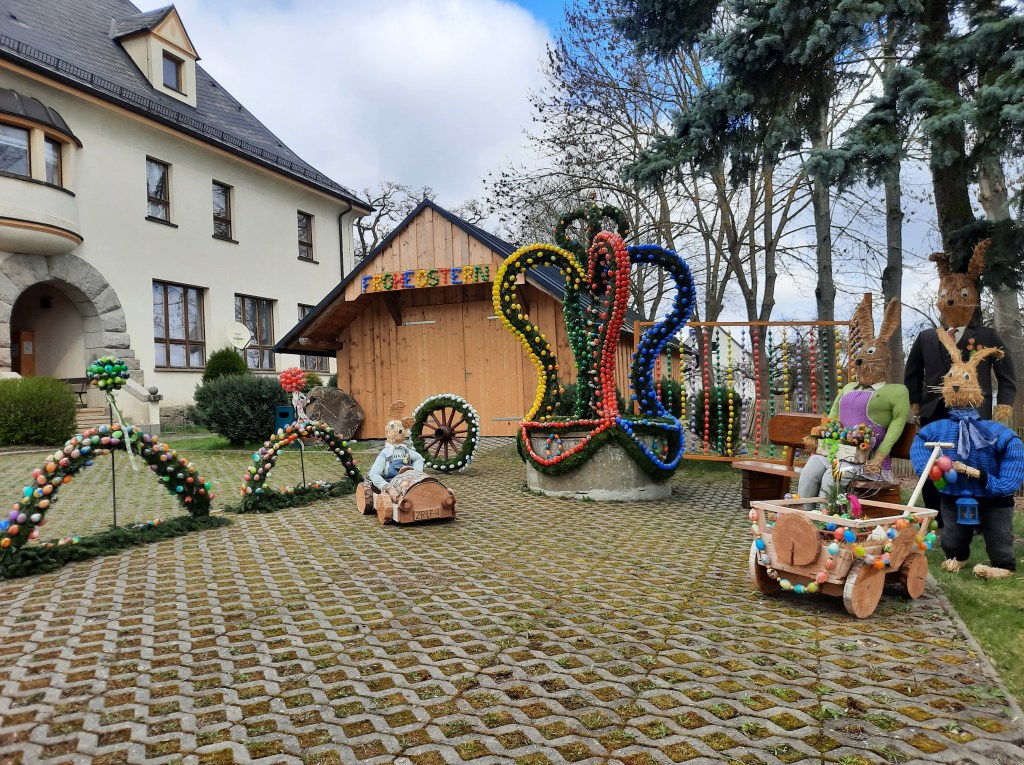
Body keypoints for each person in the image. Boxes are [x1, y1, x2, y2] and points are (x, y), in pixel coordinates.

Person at [904, 241, 1016, 516]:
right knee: (933, 464)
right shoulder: (926, 337)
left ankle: (975, 517)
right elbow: (912, 373)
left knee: (972, 462)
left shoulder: (987, 337)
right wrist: (916, 404)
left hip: (974, 414)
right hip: (933, 411)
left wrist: (1005, 402)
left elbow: (1006, 372)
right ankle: (936, 515)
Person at [910, 331, 1024, 578]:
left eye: (963, 378)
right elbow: (921, 443)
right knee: (952, 533)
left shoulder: (994, 431)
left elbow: (1013, 449)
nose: (957, 384)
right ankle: (957, 556)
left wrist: (991, 480)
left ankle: (1003, 565)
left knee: (998, 533)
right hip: (954, 493)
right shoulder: (936, 430)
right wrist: (929, 470)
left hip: (993, 495)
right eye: (951, 378)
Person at [798, 296, 910, 499]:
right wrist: (819, 439)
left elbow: (896, 426)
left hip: (865, 460)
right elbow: (832, 418)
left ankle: (826, 522)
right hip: (834, 451)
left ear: (883, 359)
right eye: (861, 354)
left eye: (869, 354)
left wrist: (879, 457)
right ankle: (803, 519)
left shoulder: (896, 391)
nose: (861, 360)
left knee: (832, 479)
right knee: (809, 471)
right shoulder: (849, 386)